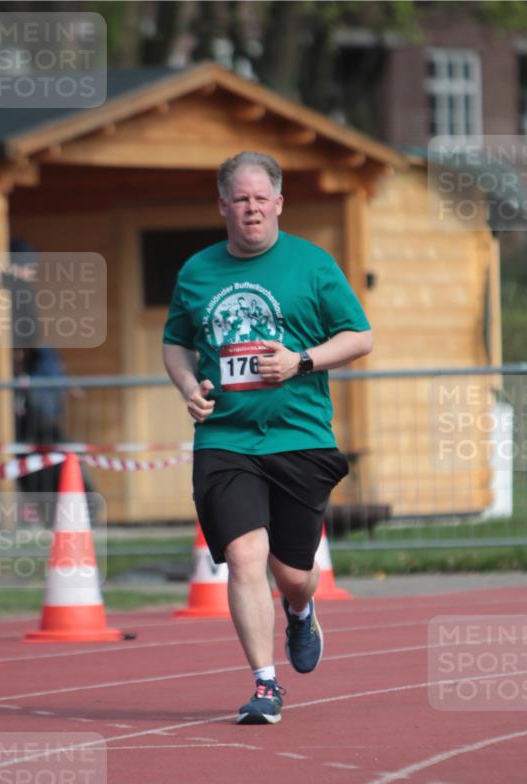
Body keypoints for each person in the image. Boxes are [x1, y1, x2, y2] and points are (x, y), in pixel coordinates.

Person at [163, 151, 373, 725]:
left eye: (261, 198)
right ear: (223, 205)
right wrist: (187, 385)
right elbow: (176, 341)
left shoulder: (312, 264)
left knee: (292, 572)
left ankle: (300, 611)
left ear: (279, 203)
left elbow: (360, 336)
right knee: (242, 555)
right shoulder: (197, 272)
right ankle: (264, 683)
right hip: (226, 438)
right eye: (241, 198)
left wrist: (301, 361)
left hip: (299, 436)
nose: (251, 208)